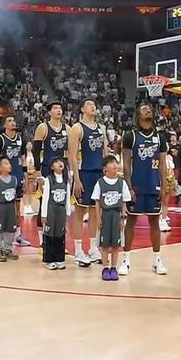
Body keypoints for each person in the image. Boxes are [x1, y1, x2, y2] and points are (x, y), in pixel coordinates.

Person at [120, 103, 168, 276]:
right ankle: (126, 259)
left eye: (149, 108)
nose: (148, 110)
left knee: (154, 222)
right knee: (131, 222)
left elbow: (162, 164)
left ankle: (157, 259)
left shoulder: (160, 137)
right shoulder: (130, 136)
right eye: (144, 109)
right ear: (138, 115)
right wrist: (128, 187)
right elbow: (126, 163)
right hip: (136, 186)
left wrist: (164, 186)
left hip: (154, 185)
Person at [69, 98, 107, 267]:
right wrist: (76, 179)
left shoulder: (101, 128)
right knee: (79, 211)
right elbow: (72, 155)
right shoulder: (77, 128)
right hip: (84, 173)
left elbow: (105, 152)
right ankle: (78, 250)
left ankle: (92, 248)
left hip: (99, 173)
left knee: (94, 212)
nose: (93, 106)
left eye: (94, 104)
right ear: (82, 109)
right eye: (89, 104)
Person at [34, 101, 69, 247]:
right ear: (49, 112)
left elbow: (70, 152)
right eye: (55, 108)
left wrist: (70, 171)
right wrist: (38, 173)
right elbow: (36, 151)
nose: (58, 110)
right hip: (47, 169)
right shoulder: (43, 127)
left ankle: (59, 237)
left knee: (61, 202)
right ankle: (42, 239)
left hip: (62, 169)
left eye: (60, 108)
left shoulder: (67, 128)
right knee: (44, 202)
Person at [0, 115, 30, 246]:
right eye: (9, 121)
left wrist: (25, 176)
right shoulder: (0, 140)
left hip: (18, 176)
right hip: (5, 178)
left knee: (17, 209)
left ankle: (18, 235)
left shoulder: (21, 139)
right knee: (3, 209)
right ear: (4, 125)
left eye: (14, 120)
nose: (13, 122)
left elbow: (23, 159)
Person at [93, 155, 131, 280]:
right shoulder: (100, 182)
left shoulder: (122, 183)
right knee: (104, 244)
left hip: (116, 215)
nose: (115, 165)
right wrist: (98, 218)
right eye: (111, 163)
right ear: (105, 168)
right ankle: (105, 268)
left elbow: (124, 202)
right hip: (105, 215)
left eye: (116, 162)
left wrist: (123, 218)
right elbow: (97, 202)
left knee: (116, 244)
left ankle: (114, 267)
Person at [40, 157, 71, 270]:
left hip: (61, 210)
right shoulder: (49, 180)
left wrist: (68, 211)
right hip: (51, 209)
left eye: (60, 161)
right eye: (56, 163)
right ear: (52, 167)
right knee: (49, 235)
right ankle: (49, 260)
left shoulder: (66, 180)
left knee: (60, 235)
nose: (60, 163)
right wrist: (44, 214)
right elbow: (45, 198)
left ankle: (59, 259)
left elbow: (67, 197)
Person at [0, 156, 19, 262]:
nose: (9, 165)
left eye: (9, 163)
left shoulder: (14, 179)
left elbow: (15, 196)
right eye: (6, 164)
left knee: (11, 229)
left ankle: (8, 249)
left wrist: (16, 210)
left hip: (11, 207)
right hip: (1, 207)